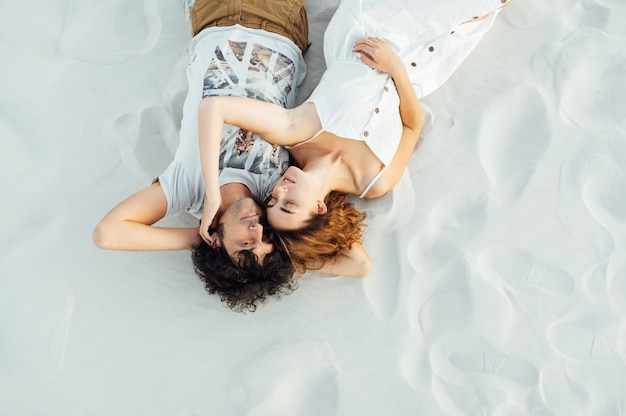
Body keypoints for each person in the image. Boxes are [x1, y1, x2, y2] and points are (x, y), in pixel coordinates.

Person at [93, 0, 370, 313]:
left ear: (217, 243)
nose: (257, 231)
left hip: (217, 15)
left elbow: (107, 233)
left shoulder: (188, 188)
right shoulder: (278, 194)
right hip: (281, 22)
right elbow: (358, 264)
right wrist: (281, 251)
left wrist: (201, 235)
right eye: (266, 238)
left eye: (245, 245)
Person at [196, 0, 510, 272]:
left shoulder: (296, 134)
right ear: (319, 207)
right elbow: (412, 127)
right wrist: (397, 70)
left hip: (372, 27)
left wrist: (213, 197)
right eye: (288, 205)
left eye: (272, 200)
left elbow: (215, 107)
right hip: (423, 63)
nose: (279, 192)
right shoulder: (373, 182)